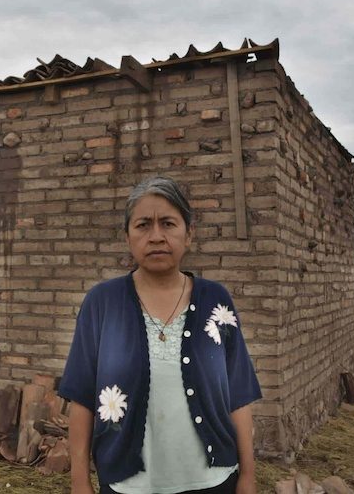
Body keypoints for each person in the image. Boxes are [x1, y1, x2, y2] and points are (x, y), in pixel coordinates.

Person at [58, 176, 261, 494]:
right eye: (143, 225)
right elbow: (82, 399)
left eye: (168, 223)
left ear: (189, 233)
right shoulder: (102, 303)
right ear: (127, 236)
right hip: (128, 484)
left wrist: (248, 476)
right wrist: (79, 483)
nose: (156, 237)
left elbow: (239, 395)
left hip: (213, 480)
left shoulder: (216, 302)